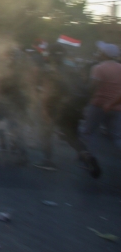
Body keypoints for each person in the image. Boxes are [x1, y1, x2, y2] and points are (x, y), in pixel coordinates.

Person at [36, 42, 100, 177]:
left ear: (50, 55)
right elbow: (82, 88)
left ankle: (47, 161)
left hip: (56, 107)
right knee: (72, 136)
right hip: (74, 107)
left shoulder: (49, 70)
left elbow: (46, 92)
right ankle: (86, 155)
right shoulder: (73, 69)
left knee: (46, 133)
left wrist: (44, 110)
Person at [81, 41, 121, 152]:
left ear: (104, 54)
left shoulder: (99, 68)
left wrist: (84, 102)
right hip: (117, 107)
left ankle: (87, 158)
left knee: (87, 133)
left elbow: (92, 88)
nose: (98, 53)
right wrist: (112, 103)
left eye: (100, 51)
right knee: (117, 137)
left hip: (98, 106)